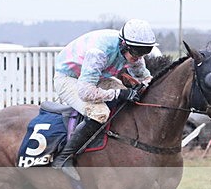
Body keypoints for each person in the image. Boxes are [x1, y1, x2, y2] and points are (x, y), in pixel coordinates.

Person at [51, 19, 155, 180]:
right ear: (124, 45)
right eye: (136, 53)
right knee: (100, 112)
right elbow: (85, 91)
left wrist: (148, 86)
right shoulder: (98, 52)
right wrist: (118, 94)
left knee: (131, 96)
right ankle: (63, 158)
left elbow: (145, 77)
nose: (138, 58)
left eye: (143, 53)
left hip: (97, 77)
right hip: (69, 79)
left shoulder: (133, 50)